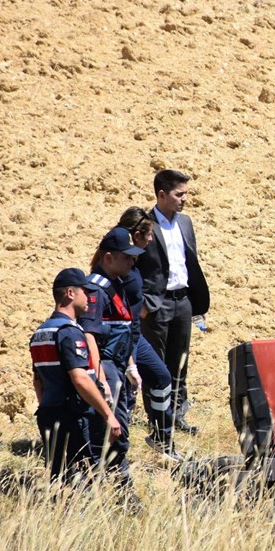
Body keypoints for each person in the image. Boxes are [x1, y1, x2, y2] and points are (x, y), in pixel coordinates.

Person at [135, 169, 210, 436]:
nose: (184, 199)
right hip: (156, 305)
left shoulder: (185, 223)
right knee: (156, 364)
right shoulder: (145, 224)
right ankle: (157, 420)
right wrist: (141, 303)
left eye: (186, 194)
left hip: (183, 301)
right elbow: (134, 264)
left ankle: (178, 415)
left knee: (180, 362)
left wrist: (196, 304)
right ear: (162, 194)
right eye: (179, 194)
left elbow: (191, 261)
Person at [31, 268, 123, 485]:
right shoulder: (70, 332)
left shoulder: (40, 333)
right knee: (84, 480)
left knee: (59, 478)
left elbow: (38, 380)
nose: (89, 297)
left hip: (48, 414)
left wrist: (48, 407)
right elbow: (80, 378)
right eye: (85, 291)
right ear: (70, 294)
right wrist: (108, 414)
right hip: (73, 416)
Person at [81, 227, 145, 487]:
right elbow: (89, 336)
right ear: (108, 258)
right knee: (111, 426)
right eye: (126, 256)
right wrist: (101, 377)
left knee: (120, 423)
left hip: (119, 364)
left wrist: (131, 366)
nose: (132, 261)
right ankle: (117, 484)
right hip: (106, 368)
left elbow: (124, 328)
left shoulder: (117, 285)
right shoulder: (96, 290)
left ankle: (117, 478)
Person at [117, 207, 179, 461]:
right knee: (127, 393)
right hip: (120, 336)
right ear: (136, 234)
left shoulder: (132, 262)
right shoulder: (116, 265)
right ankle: (117, 453)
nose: (152, 240)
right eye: (148, 235)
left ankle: (161, 437)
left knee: (162, 376)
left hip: (135, 334)